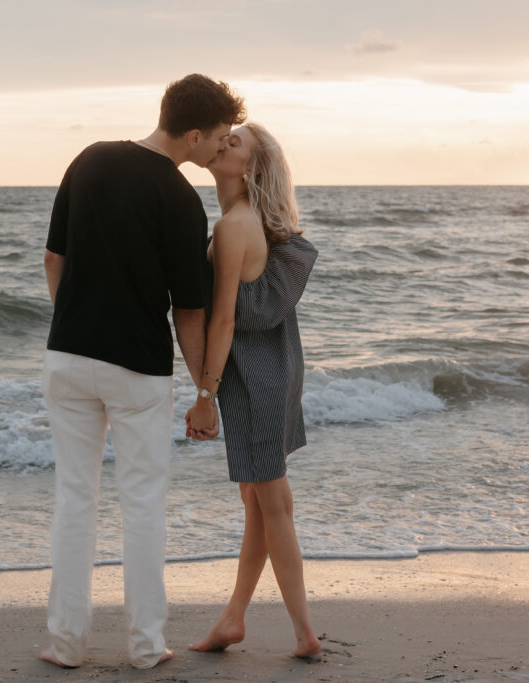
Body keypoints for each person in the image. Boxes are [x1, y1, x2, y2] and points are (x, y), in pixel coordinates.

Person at [39, 74, 244, 670]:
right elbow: (190, 311)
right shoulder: (181, 201)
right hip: (138, 371)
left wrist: (77, 325)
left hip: (68, 358)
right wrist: (206, 389)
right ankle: (146, 646)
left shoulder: (89, 160)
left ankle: (64, 643)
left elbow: (55, 259)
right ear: (196, 133)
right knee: (143, 504)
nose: (219, 151)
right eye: (220, 138)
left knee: (75, 499)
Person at [185, 123, 321, 658]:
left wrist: (205, 394)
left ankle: (304, 633)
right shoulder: (242, 221)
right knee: (258, 502)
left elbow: (221, 322)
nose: (222, 144)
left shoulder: (235, 227)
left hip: (254, 377)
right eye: (222, 137)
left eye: (234, 142)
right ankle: (233, 619)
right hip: (271, 367)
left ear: (251, 168)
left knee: (274, 503)